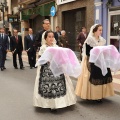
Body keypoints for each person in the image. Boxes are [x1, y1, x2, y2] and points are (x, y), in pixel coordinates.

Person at [33, 31, 76, 112]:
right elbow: (40, 60)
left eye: (52, 36)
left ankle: (60, 103)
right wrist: (47, 60)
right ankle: (51, 105)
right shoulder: (43, 48)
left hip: (57, 69)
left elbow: (61, 57)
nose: (51, 38)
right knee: (49, 86)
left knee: (59, 85)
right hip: (47, 71)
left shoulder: (57, 47)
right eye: (49, 37)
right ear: (45, 38)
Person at [75, 24, 114, 102]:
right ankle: (93, 95)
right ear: (94, 31)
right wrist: (96, 53)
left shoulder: (102, 39)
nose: (101, 32)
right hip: (91, 59)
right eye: (99, 30)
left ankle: (101, 94)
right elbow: (87, 52)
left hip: (100, 59)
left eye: (101, 30)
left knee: (104, 74)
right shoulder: (90, 39)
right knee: (93, 75)